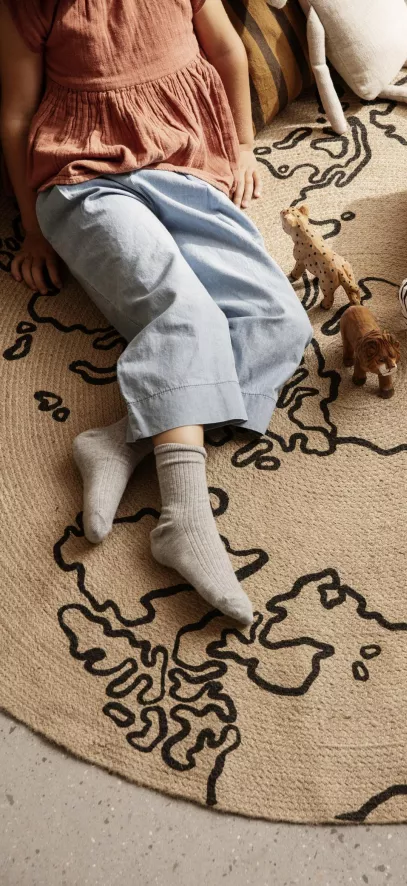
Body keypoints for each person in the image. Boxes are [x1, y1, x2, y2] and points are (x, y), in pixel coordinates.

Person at [0, 0, 313, 625]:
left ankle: (123, 439)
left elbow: (227, 51)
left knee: (280, 322)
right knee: (185, 314)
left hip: (185, 165)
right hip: (83, 178)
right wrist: (33, 232)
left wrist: (243, 146)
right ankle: (184, 521)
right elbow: (15, 114)